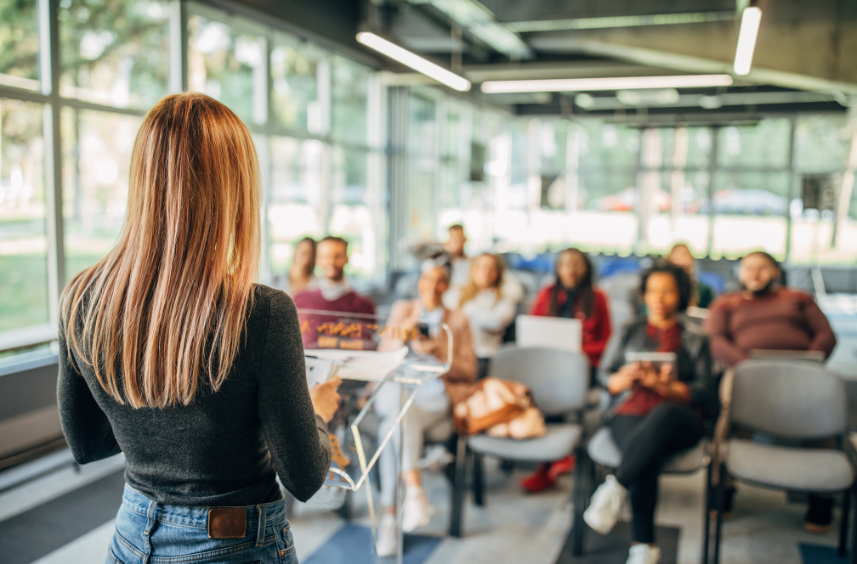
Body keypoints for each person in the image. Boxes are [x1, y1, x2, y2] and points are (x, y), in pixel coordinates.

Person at [56, 93, 340, 564]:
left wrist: (156, 429)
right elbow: (305, 477)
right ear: (235, 189)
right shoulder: (262, 312)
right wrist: (318, 411)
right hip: (232, 545)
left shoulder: (82, 297)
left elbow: (87, 444)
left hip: (131, 535)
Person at [583, 263, 717, 564]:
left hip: (680, 417)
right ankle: (644, 548)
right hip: (630, 409)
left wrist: (666, 387)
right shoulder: (629, 330)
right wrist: (618, 380)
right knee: (645, 452)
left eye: (668, 291)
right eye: (653, 290)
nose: (659, 298)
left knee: (663, 416)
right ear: (643, 294)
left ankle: (616, 485)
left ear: (680, 295)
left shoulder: (696, 339)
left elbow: (706, 394)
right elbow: (604, 375)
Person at [705, 250, 838, 531]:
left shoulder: (798, 299)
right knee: (728, 420)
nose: (755, 273)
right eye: (748, 268)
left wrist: (807, 366)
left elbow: (826, 336)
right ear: (739, 273)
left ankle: (822, 497)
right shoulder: (726, 303)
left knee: (823, 417)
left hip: (802, 372)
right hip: (747, 373)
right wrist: (754, 373)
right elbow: (716, 342)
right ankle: (723, 488)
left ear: (776, 271)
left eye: (762, 267)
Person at [374, 262, 477, 557]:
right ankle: (414, 491)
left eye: (440, 281)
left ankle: (391, 519)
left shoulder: (458, 320)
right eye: (427, 279)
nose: (432, 286)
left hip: (434, 398)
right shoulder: (403, 309)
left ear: (448, 286)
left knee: (389, 429)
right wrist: (400, 335)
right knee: (397, 404)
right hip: (398, 390)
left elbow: (468, 372)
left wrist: (437, 351)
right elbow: (383, 357)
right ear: (419, 281)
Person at [520, 248, 612, 493]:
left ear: (587, 268)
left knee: (559, 388)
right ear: (557, 269)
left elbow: (607, 343)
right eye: (565, 264)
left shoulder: (598, 298)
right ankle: (549, 461)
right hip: (548, 367)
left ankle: (558, 458)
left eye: (577, 264)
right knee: (542, 387)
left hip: (583, 368)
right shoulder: (547, 294)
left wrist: (577, 349)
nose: (571, 270)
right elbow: (533, 331)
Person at [293, 236, 376, 348]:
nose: (331, 262)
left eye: (337, 256)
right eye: (325, 256)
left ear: (346, 259)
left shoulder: (363, 305)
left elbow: (365, 344)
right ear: (317, 260)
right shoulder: (300, 299)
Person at [449, 253, 517, 379]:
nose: (485, 272)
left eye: (491, 268)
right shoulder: (460, 294)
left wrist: (465, 312)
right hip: (458, 353)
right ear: (473, 269)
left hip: (486, 356)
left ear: (498, 272)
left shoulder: (504, 297)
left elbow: (496, 321)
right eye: (481, 267)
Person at [666, 243, 716, 308]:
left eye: (684, 256)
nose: (681, 261)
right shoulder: (663, 289)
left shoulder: (704, 290)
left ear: (692, 260)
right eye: (677, 257)